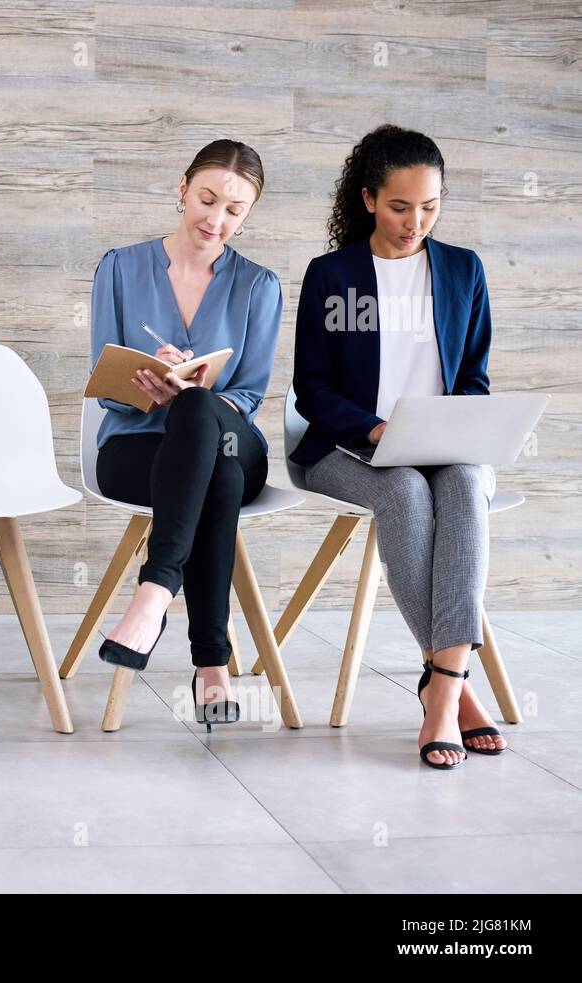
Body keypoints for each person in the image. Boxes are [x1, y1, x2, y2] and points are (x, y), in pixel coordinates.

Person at [291, 124, 502, 770]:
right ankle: (452, 691)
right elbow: (310, 389)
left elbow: (475, 378)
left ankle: (441, 687)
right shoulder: (332, 276)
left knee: (465, 483)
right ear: (368, 200)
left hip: (441, 445)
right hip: (346, 447)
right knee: (404, 491)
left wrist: (448, 428)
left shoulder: (463, 270)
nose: (416, 223)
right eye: (400, 207)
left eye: (431, 207)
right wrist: (376, 431)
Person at [91, 139, 282, 730]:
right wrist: (146, 382)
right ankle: (211, 665)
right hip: (134, 446)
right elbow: (103, 385)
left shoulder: (259, 285)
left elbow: (250, 393)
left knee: (201, 412)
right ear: (182, 188)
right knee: (214, 472)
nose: (215, 219)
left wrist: (200, 392)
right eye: (206, 199)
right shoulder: (119, 267)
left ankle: (153, 595)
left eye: (234, 210)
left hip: (232, 434)